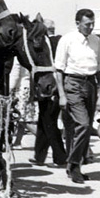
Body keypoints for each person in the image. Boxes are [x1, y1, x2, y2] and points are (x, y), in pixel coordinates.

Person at [54, 9, 100, 184]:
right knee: (82, 124)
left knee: (85, 128)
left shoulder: (96, 41)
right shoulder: (67, 40)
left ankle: (76, 166)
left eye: (92, 23)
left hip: (91, 84)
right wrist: (61, 95)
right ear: (77, 23)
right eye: (87, 24)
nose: (91, 27)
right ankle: (73, 164)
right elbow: (58, 70)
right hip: (72, 84)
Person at [30, 19, 67, 166]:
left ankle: (60, 156)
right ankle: (39, 156)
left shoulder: (46, 44)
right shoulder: (60, 41)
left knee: (48, 120)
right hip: (57, 85)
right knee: (44, 119)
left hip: (49, 86)